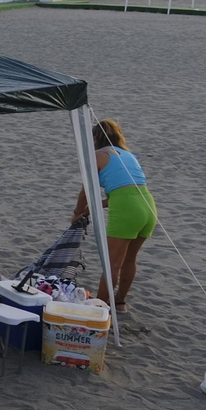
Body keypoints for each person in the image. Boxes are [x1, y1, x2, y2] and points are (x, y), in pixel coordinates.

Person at [72, 119, 157, 316]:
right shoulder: (128, 155)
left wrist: (77, 214)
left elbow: (86, 191)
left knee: (112, 264)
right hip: (148, 206)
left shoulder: (97, 156)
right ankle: (120, 302)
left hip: (127, 211)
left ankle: (99, 309)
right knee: (130, 259)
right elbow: (124, 191)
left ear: (95, 138)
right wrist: (93, 208)